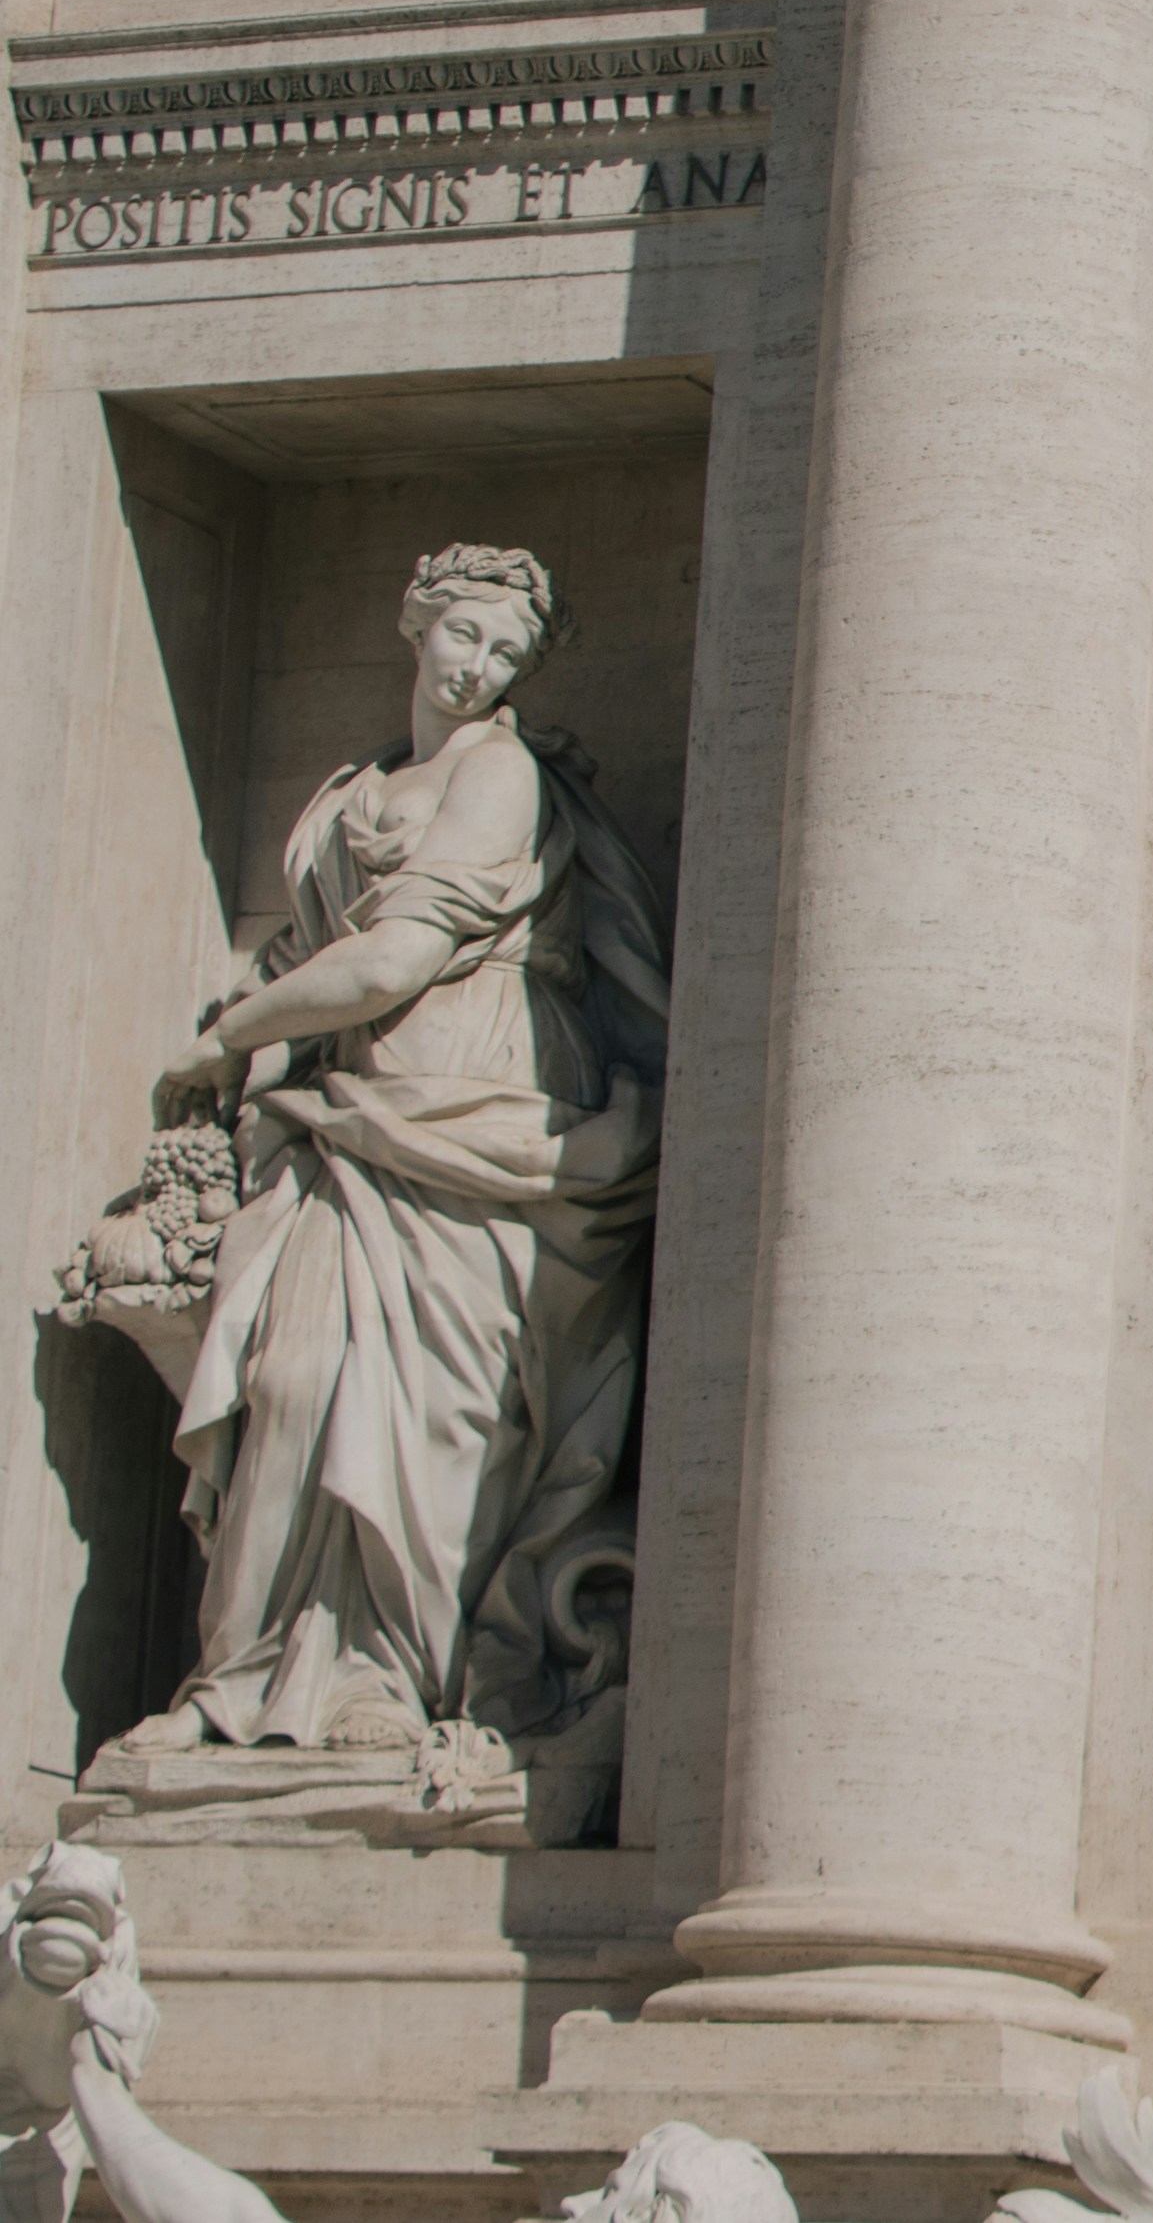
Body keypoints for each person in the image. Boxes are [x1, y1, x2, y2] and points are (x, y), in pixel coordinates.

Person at [109, 547, 668, 1766]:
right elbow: (320, 956)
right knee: (295, 1381)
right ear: (418, 622)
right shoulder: (355, 783)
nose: (481, 668)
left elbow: (390, 963)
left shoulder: (502, 776)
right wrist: (263, 1037)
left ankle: (384, 1685)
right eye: (466, 636)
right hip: (350, 1114)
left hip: (472, 1110)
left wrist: (229, 1038)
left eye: (509, 655)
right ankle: (256, 1673)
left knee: (434, 1416)